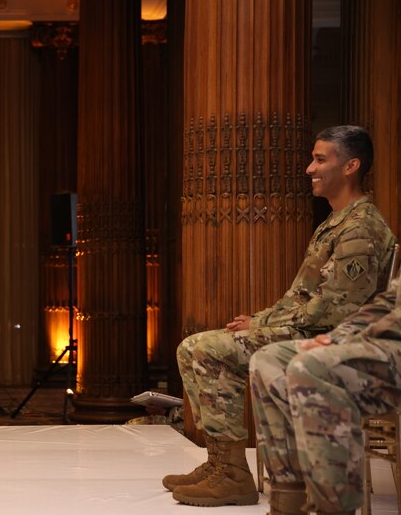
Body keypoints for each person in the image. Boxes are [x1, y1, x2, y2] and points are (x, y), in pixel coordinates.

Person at [166, 125, 396, 507]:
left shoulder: (361, 228)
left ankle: (234, 475)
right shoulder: (334, 223)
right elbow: (299, 297)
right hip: (305, 330)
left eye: (321, 159)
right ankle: (222, 461)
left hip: (332, 343)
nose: (310, 168)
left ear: (352, 165)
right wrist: (259, 319)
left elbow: (340, 311)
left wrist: (265, 326)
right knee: (191, 348)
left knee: (205, 348)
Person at [249, 270, 401, 515]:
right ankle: (287, 503)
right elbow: (388, 303)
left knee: (312, 368)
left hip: (389, 343)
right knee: (268, 360)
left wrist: (351, 340)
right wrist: (335, 338)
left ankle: (333, 508)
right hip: (383, 341)